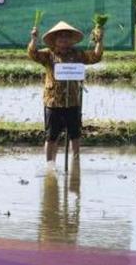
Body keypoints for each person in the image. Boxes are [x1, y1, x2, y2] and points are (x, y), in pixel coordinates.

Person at [28, 20, 105, 165]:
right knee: (52, 137)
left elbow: (96, 57)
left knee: (75, 136)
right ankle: (50, 165)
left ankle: (75, 163)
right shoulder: (48, 55)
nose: (63, 39)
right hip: (53, 102)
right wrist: (33, 39)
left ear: (71, 40)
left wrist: (99, 41)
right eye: (60, 36)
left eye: (67, 36)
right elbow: (32, 53)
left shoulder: (78, 55)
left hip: (72, 102)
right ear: (55, 39)